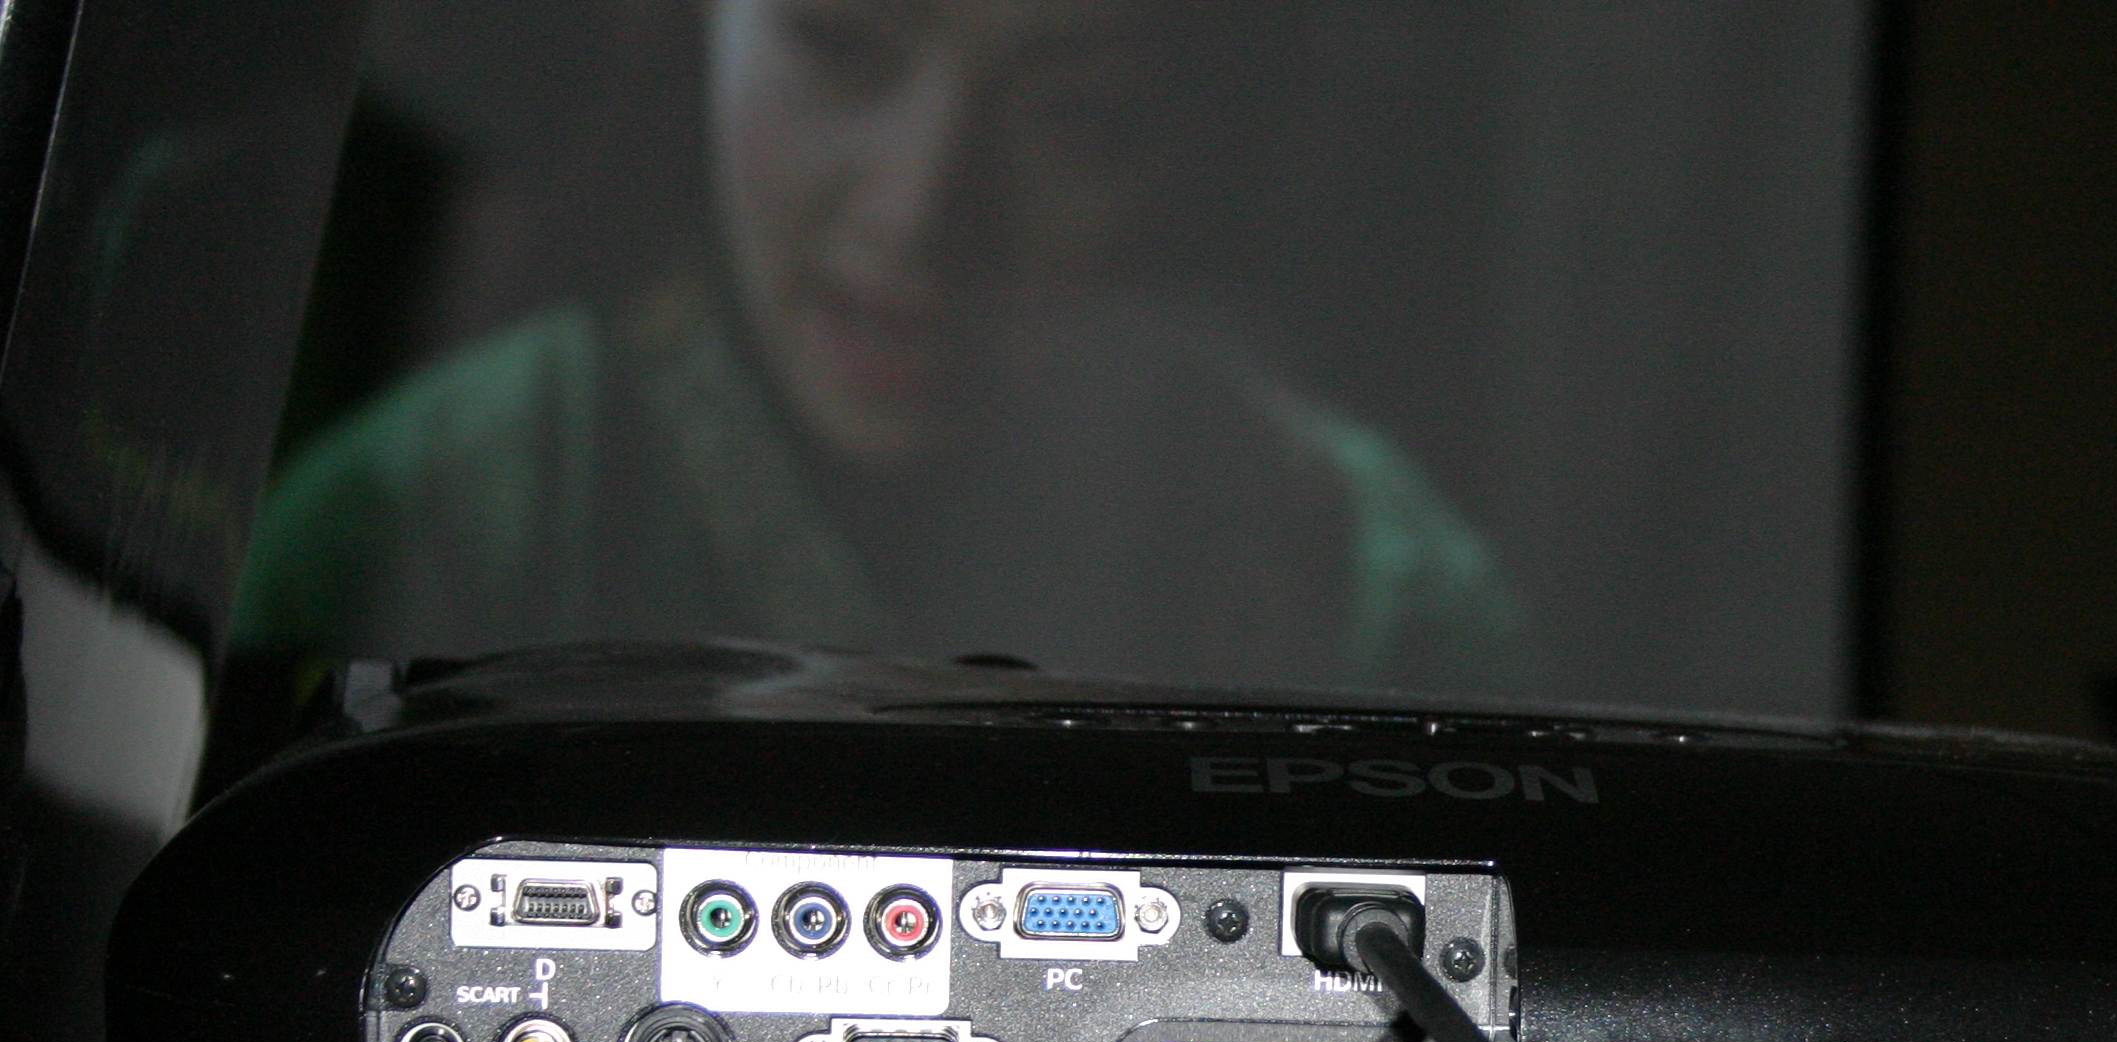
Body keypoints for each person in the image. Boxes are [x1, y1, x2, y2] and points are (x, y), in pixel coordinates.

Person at [231, 0, 1527, 697]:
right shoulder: (408, 521)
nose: (919, 211)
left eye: (1080, 114)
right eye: (841, 47)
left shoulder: (1374, 587)